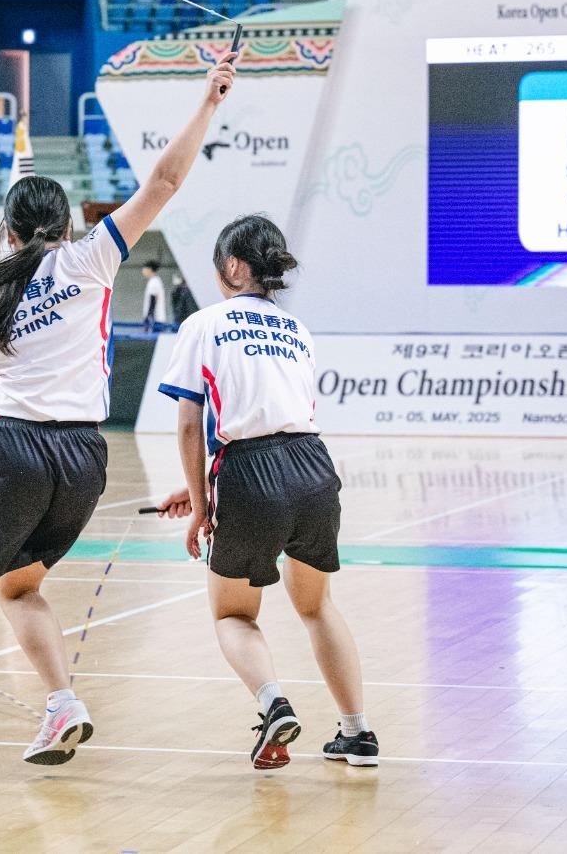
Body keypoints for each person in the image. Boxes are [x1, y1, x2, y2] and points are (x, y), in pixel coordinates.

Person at [0, 53, 236, 790]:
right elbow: (163, 182)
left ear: (9, 230)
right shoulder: (91, 261)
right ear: (68, 222)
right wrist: (209, 101)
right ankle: (61, 703)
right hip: (84, 458)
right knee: (18, 587)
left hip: (12, 449)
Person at [153, 215, 375, 771]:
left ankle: (274, 705)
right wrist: (207, 483)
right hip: (313, 467)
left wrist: (202, 505)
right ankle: (358, 734)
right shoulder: (297, 330)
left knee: (232, 614)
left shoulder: (203, 324)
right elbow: (280, 418)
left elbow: (190, 425)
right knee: (317, 606)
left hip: (249, 474)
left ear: (231, 266)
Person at [142, 261, 169, 330]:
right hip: (157, 318)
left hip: (155, 319)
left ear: (149, 269)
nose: (143, 271)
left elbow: (153, 300)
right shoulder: (156, 281)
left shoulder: (154, 282)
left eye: (144, 269)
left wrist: (149, 316)